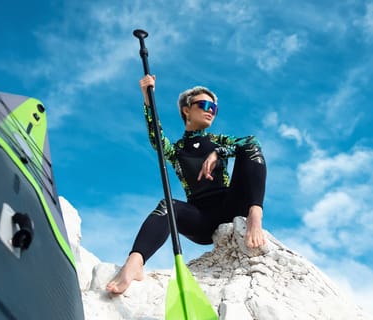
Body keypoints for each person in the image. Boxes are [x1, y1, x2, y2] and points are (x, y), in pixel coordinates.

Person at [106, 75, 267, 294]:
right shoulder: (177, 150)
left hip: (232, 206)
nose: (211, 110)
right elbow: (157, 139)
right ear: (186, 110)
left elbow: (251, 142)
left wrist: (218, 153)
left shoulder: (218, 140)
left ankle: (255, 216)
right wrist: (147, 97)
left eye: (215, 108)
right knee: (167, 205)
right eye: (204, 105)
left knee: (251, 149)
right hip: (201, 218)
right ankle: (135, 263)